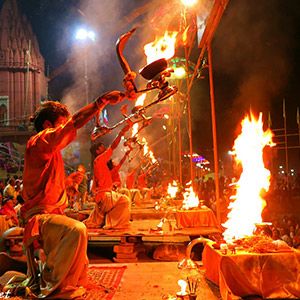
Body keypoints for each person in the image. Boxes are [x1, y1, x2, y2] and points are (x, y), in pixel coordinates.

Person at [2, 74, 136, 299]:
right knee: (76, 229)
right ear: (47, 126)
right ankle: (55, 287)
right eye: (61, 125)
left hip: (49, 213)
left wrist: (68, 182)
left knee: (78, 226)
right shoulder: (39, 141)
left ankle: (68, 281)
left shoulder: (47, 152)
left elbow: (46, 189)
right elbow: (73, 123)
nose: (66, 129)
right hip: (38, 218)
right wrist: (100, 101)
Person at [83, 124, 132, 229]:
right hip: (105, 197)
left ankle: (108, 221)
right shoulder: (99, 160)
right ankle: (113, 224)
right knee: (125, 200)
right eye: (102, 148)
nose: (105, 148)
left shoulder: (98, 164)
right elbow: (113, 146)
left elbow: (94, 186)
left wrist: (96, 196)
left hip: (102, 197)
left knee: (120, 198)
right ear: (97, 152)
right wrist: (121, 132)